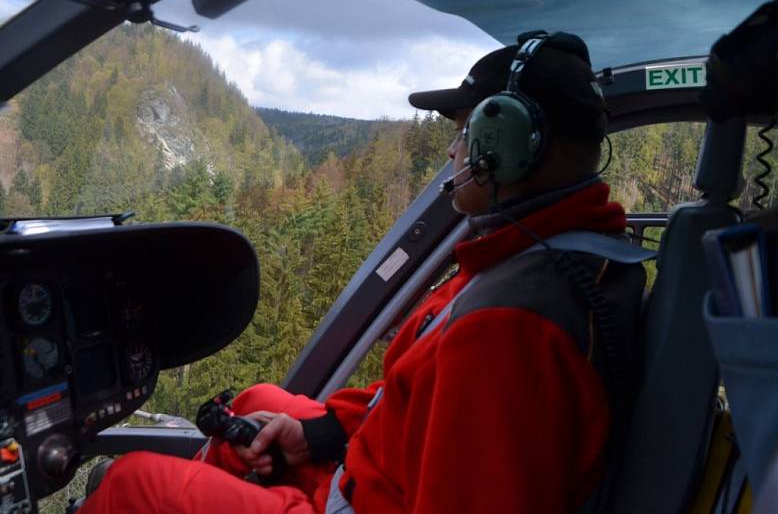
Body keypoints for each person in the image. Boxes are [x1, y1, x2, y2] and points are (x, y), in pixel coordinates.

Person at [78, 32, 647, 514]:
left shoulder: (506, 329)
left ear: (504, 146)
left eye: (462, 132)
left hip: (363, 499)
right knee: (255, 403)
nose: (452, 152)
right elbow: (412, 398)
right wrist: (318, 435)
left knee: (129, 484)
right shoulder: (553, 256)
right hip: (372, 469)